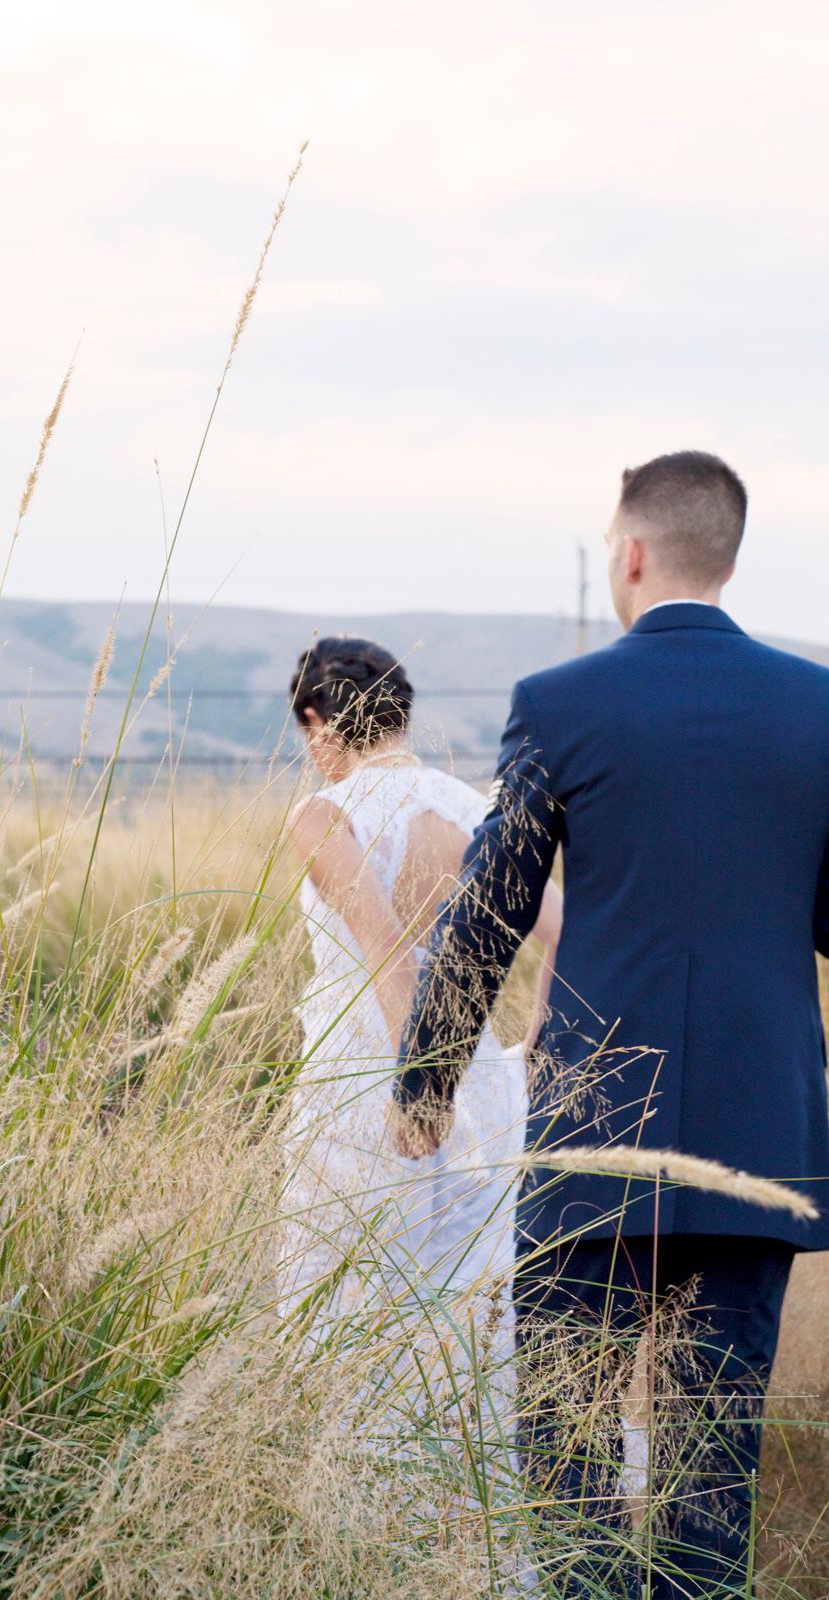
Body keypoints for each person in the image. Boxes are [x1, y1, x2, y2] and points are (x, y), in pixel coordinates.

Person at [392, 451, 829, 1597]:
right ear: (724, 558)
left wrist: (424, 1081)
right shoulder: (818, 709)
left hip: (597, 1137)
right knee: (707, 1468)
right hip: (753, 1150)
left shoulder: (559, 703)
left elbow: (485, 912)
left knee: (571, 1457)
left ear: (629, 554)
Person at [279, 636, 560, 1459]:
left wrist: (420, 1090)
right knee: (468, 1321)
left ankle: (367, 1528)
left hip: (375, 1096)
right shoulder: (474, 809)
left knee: (357, 1315)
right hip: (482, 1088)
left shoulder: (322, 814)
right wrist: (536, 1042)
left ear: (314, 721)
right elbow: (565, 933)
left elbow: (384, 951)